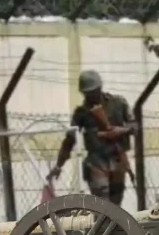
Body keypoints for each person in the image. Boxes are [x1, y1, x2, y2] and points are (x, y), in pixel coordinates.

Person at [47, 70, 136, 206]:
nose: (90, 96)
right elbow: (70, 140)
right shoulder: (81, 113)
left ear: (100, 88)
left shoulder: (118, 103)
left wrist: (120, 131)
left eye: (93, 91)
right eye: (87, 93)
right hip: (97, 163)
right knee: (103, 207)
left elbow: (135, 126)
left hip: (118, 160)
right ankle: (104, 226)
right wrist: (59, 165)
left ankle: (113, 227)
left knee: (116, 207)